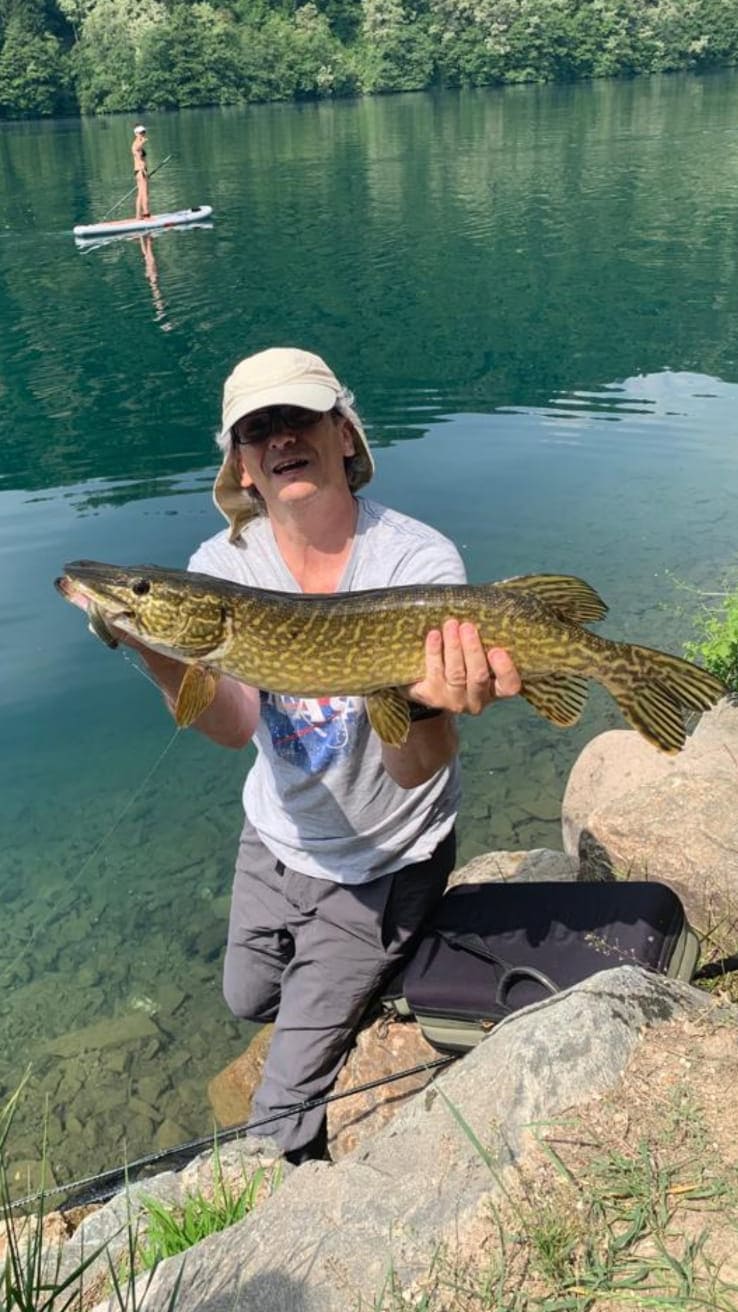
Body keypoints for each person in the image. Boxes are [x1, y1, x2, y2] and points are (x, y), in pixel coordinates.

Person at [78, 348, 522, 1164]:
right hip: (279, 840)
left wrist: (427, 701)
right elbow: (233, 725)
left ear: (343, 435)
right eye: (257, 429)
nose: (280, 437)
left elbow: (415, 767)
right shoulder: (221, 569)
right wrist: (148, 640)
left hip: (386, 859)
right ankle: (355, 978)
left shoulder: (419, 566)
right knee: (247, 996)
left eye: (299, 418)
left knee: (280, 1109)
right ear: (242, 465)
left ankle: (298, 1168)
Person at [132, 124, 150, 220]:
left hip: (139, 171)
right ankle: (146, 214)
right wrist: (144, 171)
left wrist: (142, 142)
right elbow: (137, 153)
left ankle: (138, 216)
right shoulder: (136, 144)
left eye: (144, 132)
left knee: (140, 194)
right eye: (140, 133)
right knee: (145, 193)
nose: (143, 134)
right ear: (136, 133)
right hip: (141, 171)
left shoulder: (138, 143)